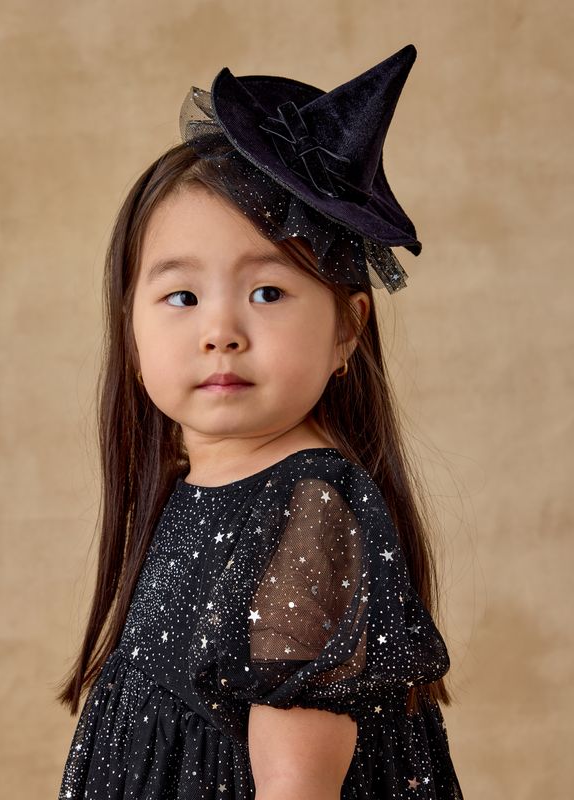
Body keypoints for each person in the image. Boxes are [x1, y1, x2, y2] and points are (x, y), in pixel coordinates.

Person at [55, 44, 465, 799]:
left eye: (268, 293)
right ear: (130, 328)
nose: (221, 331)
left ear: (347, 329)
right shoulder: (189, 484)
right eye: (182, 298)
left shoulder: (311, 509)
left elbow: (295, 781)